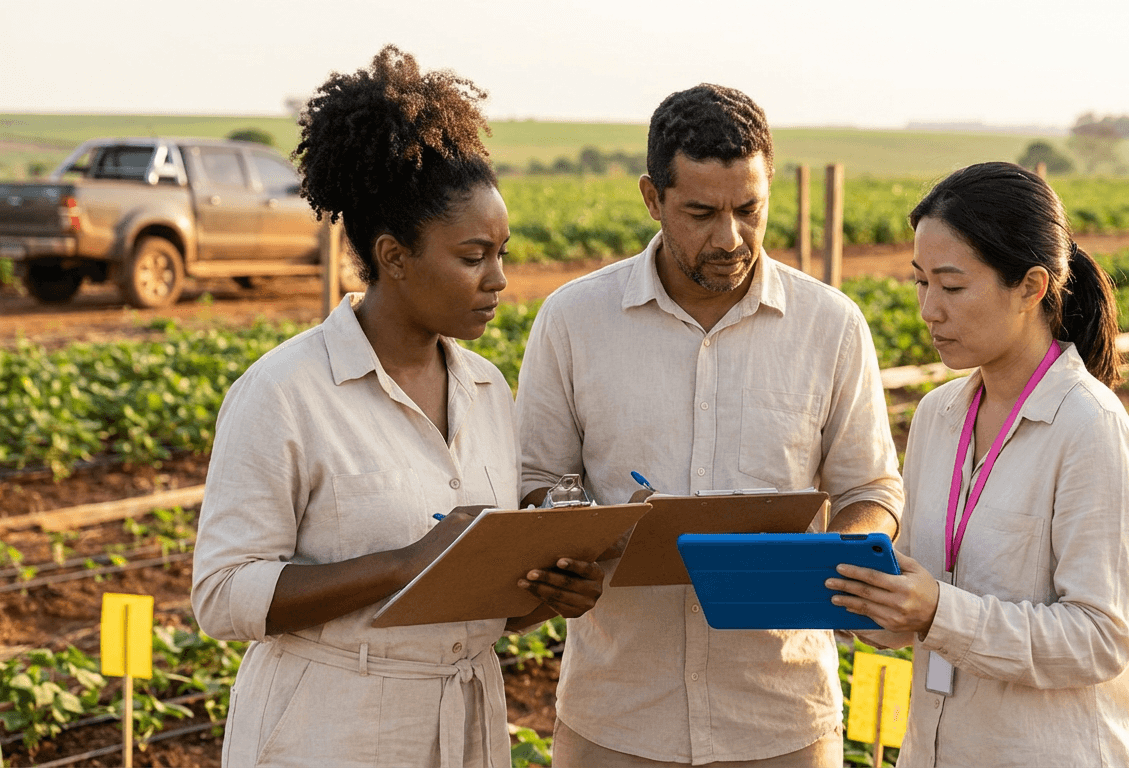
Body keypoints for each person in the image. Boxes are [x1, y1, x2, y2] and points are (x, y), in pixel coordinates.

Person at [191, 46, 603, 768]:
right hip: (328, 730)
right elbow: (223, 595)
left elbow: (476, 602)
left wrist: (551, 591)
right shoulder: (285, 393)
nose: (498, 280)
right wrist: (404, 562)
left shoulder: (485, 390)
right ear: (394, 255)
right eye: (473, 257)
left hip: (465, 724)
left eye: (502, 254)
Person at [515, 84, 904, 766]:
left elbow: (871, 488)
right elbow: (536, 481)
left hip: (780, 717)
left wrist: (832, 560)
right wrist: (565, 536)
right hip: (614, 717)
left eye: (748, 210)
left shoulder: (831, 326)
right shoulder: (573, 320)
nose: (730, 238)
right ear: (651, 198)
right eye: (700, 213)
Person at [828, 161, 1129, 766]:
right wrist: (864, 601)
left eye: (952, 287)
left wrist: (938, 612)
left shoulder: (1090, 430)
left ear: (1031, 287)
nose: (929, 310)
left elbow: (1103, 638)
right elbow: (927, 598)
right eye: (920, 282)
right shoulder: (939, 415)